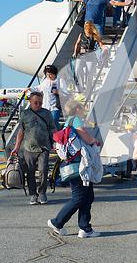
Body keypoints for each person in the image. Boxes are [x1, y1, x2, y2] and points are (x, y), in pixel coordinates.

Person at [47, 100, 101, 238]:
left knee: (87, 197)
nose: (83, 113)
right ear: (77, 110)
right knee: (79, 198)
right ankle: (57, 222)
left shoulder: (68, 122)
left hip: (76, 165)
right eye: (82, 110)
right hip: (78, 166)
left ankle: (85, 228)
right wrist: (94, 139)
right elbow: (87, 138)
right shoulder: (75, 120)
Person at [11, 92, 57, 205]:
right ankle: (33, 194)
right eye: (36, 102)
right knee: (30, 171)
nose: (38, 105)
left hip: (44, 147)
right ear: (30, 102)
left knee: (43, 169)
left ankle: (42, 192)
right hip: (29, 147)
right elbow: (21, 131)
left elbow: (53, 129)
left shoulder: (46, 113)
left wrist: (59, 144)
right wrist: (16, 147)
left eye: (40, 103)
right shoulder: (25, 114)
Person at [63, 0, 133, 35]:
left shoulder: (103, 0)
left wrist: (126, 4)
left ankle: (99, 56)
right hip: (88, 24)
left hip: (97, 24)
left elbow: (114, 2)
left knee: (99, 43)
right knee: (87, 41)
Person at [23, 64, 67, 130]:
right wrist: (29, 89)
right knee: (46, 122)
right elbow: (39, 88)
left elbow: (66, 93)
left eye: (50, 74)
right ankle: (50, 138)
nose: (48, 76)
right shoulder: (46, 81)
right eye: (47, 75)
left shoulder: (60, 81)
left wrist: (58, 92)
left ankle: (58, 137)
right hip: (45, 106)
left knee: (54, 122)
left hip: (55, 106)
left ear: (54, 73)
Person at [72, 20, 108, 93]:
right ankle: (81, 87)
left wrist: (105, 47)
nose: (88, 30)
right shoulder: (81, 35)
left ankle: (88, 91)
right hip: (82, 53)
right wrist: (75, 52)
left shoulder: (95, 36)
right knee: (78, 69)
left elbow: (100, 44)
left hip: (90, 54)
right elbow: (77, 43)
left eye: (89, 28)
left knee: (89, 75)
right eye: (86, 28)